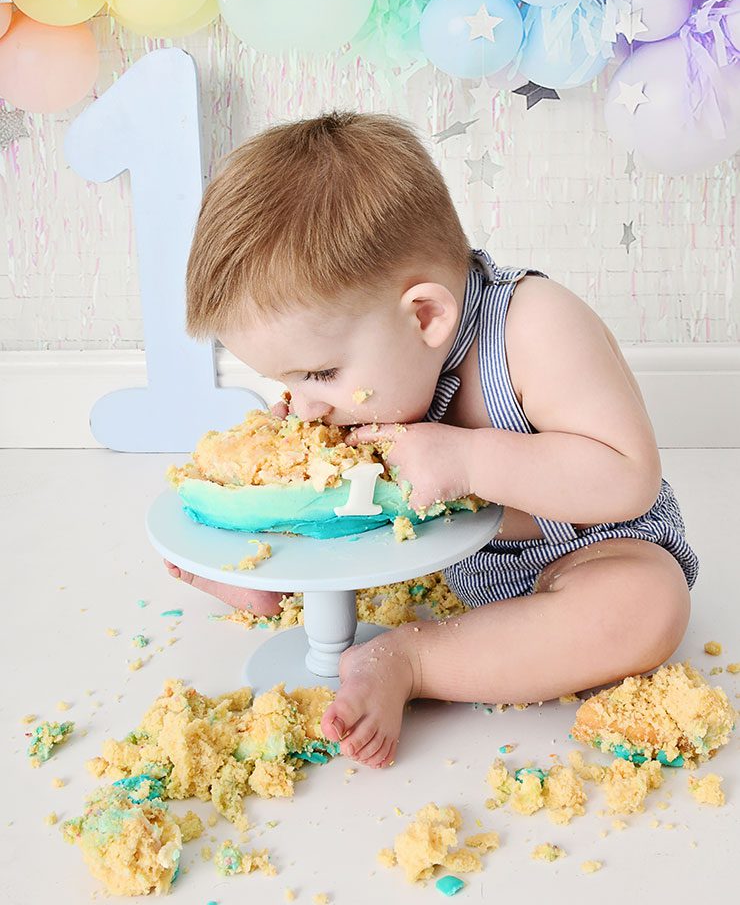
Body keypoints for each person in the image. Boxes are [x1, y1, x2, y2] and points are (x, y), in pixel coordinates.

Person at [165, 110, 698, 770]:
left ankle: (410, 660)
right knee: (333, 509)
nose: (305, 405)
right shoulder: (372, 377)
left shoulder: (535, 329)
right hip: (461, 561)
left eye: (323, 374)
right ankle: (277, 584)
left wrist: (469, 459)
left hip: (588, 552)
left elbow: (626, 477)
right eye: (283, 380)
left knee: (648, 606)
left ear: (425, 315)